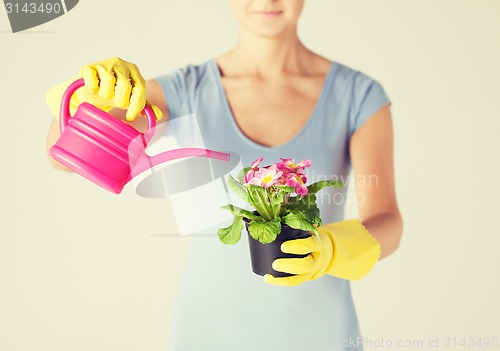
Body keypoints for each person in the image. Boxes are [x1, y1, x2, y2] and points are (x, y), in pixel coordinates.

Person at [46, 1, 403, 350]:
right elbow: (63, 156)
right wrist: (93, 94)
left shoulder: (359, 95)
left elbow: (387, 222)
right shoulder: (183, 91)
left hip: (319, 334)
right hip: (208, 332)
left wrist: (332, 249)